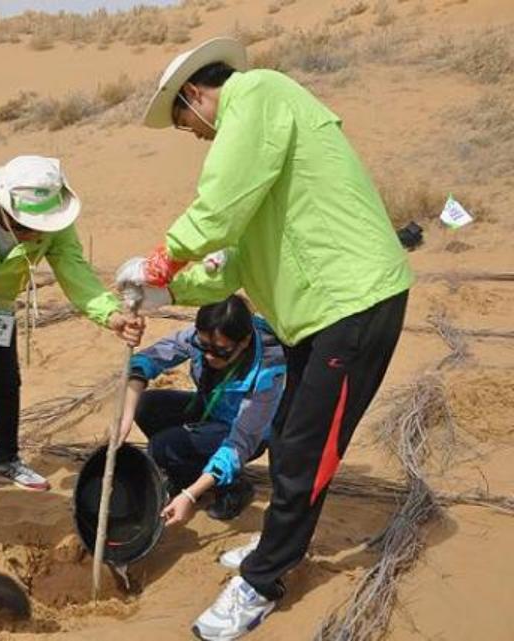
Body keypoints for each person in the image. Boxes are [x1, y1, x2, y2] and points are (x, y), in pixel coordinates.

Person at [115, 37, 413, 640]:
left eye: (186, 123)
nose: (195, 135)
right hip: (312, 315)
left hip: (352, 303)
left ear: (196, 95)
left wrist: (160, 260)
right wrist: (167, 292)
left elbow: (217, 207)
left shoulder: (258, 93)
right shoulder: (259, 158)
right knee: (284, 434)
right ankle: (281, 541)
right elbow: (232, 263)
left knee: (307, 448)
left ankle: (262, 581)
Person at [0, 155, 144, 519]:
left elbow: (74, 269)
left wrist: (109, 314)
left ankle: (4, 459)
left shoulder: (55, 223)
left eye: (41, 227)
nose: (35, 234)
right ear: (3, 205)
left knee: (5, 378)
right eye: (25, 225)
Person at [117, 294, 285, 522]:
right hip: (210, 406)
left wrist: (190, 495)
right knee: (146, 406)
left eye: (221, 351)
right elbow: (150, 359)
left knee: (163, 446)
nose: (209, 356)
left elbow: (240, 443)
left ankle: (234, 488)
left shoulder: (267, 374)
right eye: (204, 346)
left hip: (243, 433)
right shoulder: (206, 335)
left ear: (244, 341)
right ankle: (188, 472)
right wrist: (126, 416)